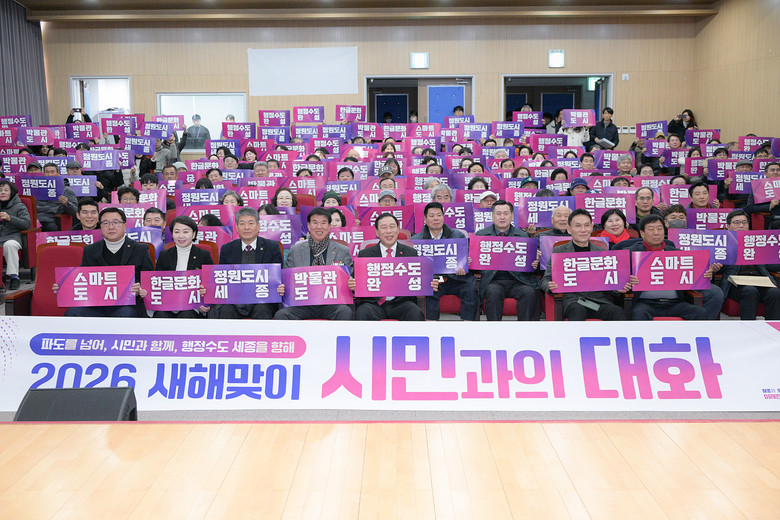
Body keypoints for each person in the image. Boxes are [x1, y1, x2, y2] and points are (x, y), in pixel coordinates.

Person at [57, 207, 154, 317]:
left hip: (126, 304)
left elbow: (148, 280)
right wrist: (64, 286)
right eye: (106, 223)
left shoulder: (140, 249)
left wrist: (139, 288)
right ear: (100, 226)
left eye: (116, 222)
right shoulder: (90, 250)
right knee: (72, 312)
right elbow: (83, 279)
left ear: (125, 226)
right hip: (95, 304)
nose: (111, 227)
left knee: (126, 314)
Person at [541, 209, 627, 320]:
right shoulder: (559, 251)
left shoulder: (602, 252)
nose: (583, 230)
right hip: (573, 302)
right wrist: (550, 286)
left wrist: (617, 287)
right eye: (578, 226)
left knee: (617, 312)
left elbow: (609, 282)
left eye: (586, 225)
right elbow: (545, 279)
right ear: (569, 229)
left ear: (592, 227)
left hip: (598, 302)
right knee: (578, 310)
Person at [627, 215, 717, 320]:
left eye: (659, 229)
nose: (656, 233)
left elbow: (693, 277)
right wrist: (628, 280)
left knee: (700, 313)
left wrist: (705, 275)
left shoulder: (678, 254)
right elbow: (619, 281)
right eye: (651, 229)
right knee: (638, 313)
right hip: (645, 303)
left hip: (675, 303)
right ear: (642, 233)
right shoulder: (631, 254)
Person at [274, 208, 355, 320]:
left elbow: (350, 278)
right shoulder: (295, 250)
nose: (319, 227)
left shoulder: (342, 250)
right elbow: (288, 280)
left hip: (331, 304)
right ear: (308, 226)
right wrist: (283, 287)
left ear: (329, 226)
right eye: (315, 222)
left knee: (344, 311)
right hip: (302, 304)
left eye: (323, 223)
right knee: (282, 315)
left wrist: (351, 284)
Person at [355, 213, 436, 321]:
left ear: (398, 229)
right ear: (377, 232)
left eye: (392, 226)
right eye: (384, 227)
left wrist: (429, 283)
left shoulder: (410, 253)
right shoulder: (365, 254)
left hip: (401, 303)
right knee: (362, 311)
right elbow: (356, 280)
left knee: (415, 312)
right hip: (374, 304)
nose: (389, 231)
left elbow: (420, 277)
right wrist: (353, 283)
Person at [209, 207, 284, 320]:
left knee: (262, 309)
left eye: (251, 223)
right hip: (235, 300)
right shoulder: (227, 249)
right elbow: (222, 279)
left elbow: (279, 277)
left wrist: (280, 287)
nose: (246, 227)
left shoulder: (272, 247)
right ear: (237, 228)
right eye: (242, 224)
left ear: (258, 226)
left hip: (262, 299)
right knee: (225, 310)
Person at [412, 202, 478, 321]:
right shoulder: (416, 240)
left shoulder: (457, 235)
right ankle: (432, 324)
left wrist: (464, 264)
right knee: (430, 289)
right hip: (434, 280)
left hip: (456, 278)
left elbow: (464, 258)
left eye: (439, 215)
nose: (436, 218)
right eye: (432, 215)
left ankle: (468, 325)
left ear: (443, 217)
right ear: (425, 219)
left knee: (470, 289)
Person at [476, 200, 541, 321]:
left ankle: (525, 329)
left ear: (512, 216)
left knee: (528, 292)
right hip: (493, 280)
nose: (502, 217)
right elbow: (475, 263)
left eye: (506, 213)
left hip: (518, 280)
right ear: (492, 216)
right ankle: (494, 329)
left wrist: (534, 262)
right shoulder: (481, 235)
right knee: (493, 292)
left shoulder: (522, 236)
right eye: (498, 213)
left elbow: (530, 267)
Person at [716, 210, 780, 320]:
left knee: (774, 292)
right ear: (728, 226)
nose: (741, 226)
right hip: (736, 284)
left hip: (760, 281)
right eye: (736, 223)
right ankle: (748, 327)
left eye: (744, 222)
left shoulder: (757, 242)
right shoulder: (721, 243)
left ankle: (772, 327)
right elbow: (720, 268)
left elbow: (770, 265)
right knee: (750, 291)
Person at [148, 216, 213, 318]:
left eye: (185, 232)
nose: (181, 236)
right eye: (177, 232)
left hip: (192, 305)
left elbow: (210, 283)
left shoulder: (204, 255)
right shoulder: (164, 255)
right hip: (168, 303)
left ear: (194, 234)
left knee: (186, 315)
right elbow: (157, 283)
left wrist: (205, 296)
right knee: (161, 315)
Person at [0, 180, 31, 291]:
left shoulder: (19, 206)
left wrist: (10, 218)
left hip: (12, 237)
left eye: (6, 190)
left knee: (9, 245)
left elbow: (26, 224)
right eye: (0, 190)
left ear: (11, 192)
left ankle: (14, 277)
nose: (3, 192)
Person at [36, 163, 77, 231]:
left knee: (51, 227)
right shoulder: (36, 188)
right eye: (47, 172)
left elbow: (75, 211)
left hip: (52, 220)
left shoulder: (66, 190)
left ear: (58, 173)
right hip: (35, 218)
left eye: (52, 172)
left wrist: (66, 204)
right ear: (43, 174)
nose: (49, 175)